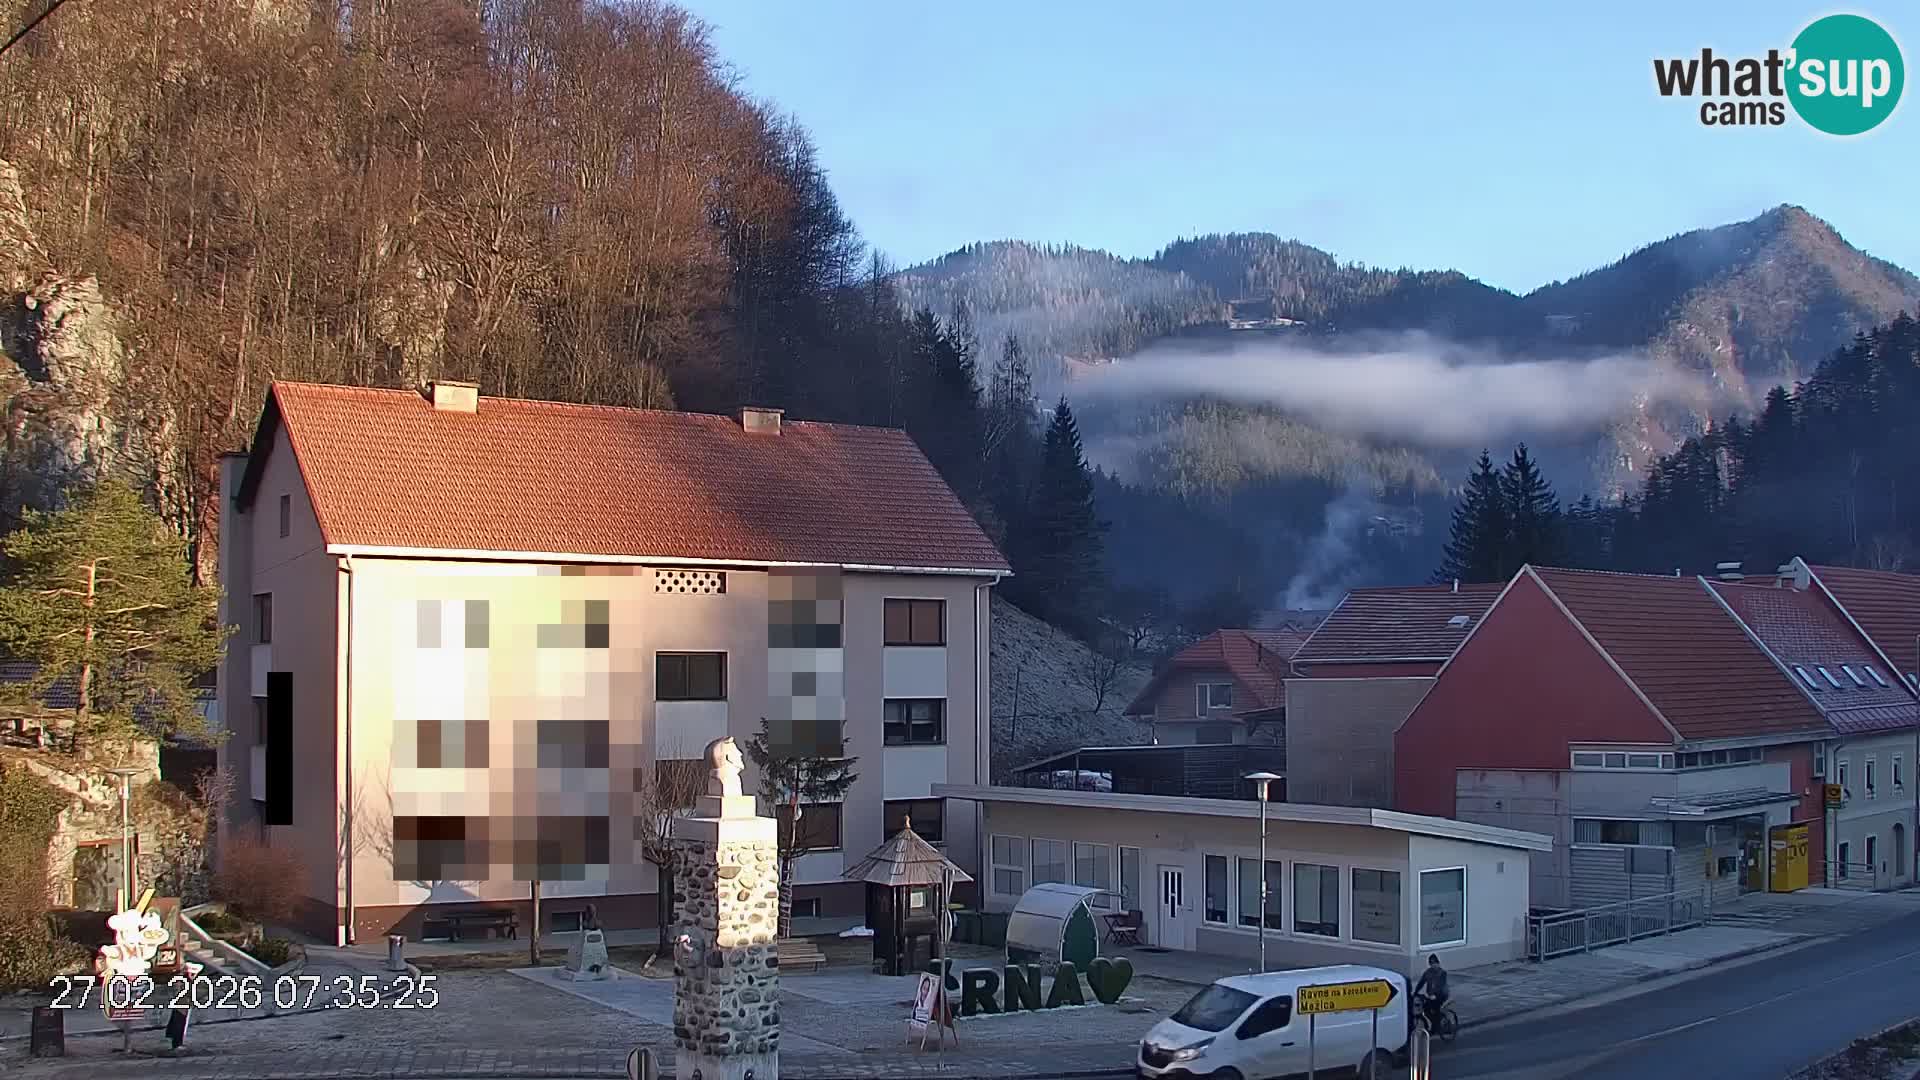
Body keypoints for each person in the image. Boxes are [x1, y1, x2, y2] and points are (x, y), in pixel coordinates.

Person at [1413, 954, 1449, 1029]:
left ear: (1438, 963)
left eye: (1435, 963)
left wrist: (1435, 994)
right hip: (1430, 995)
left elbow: (1441, 985)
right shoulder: (1427, 972)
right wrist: (1415, 992)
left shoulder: (1442, 973)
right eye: (1431, 964)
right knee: (1426, 1009)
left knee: (1435, 1008)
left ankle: (1437, 1025)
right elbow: (1421, 982)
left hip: (1441, 995)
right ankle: (1433, 1024)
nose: (1433, 965)